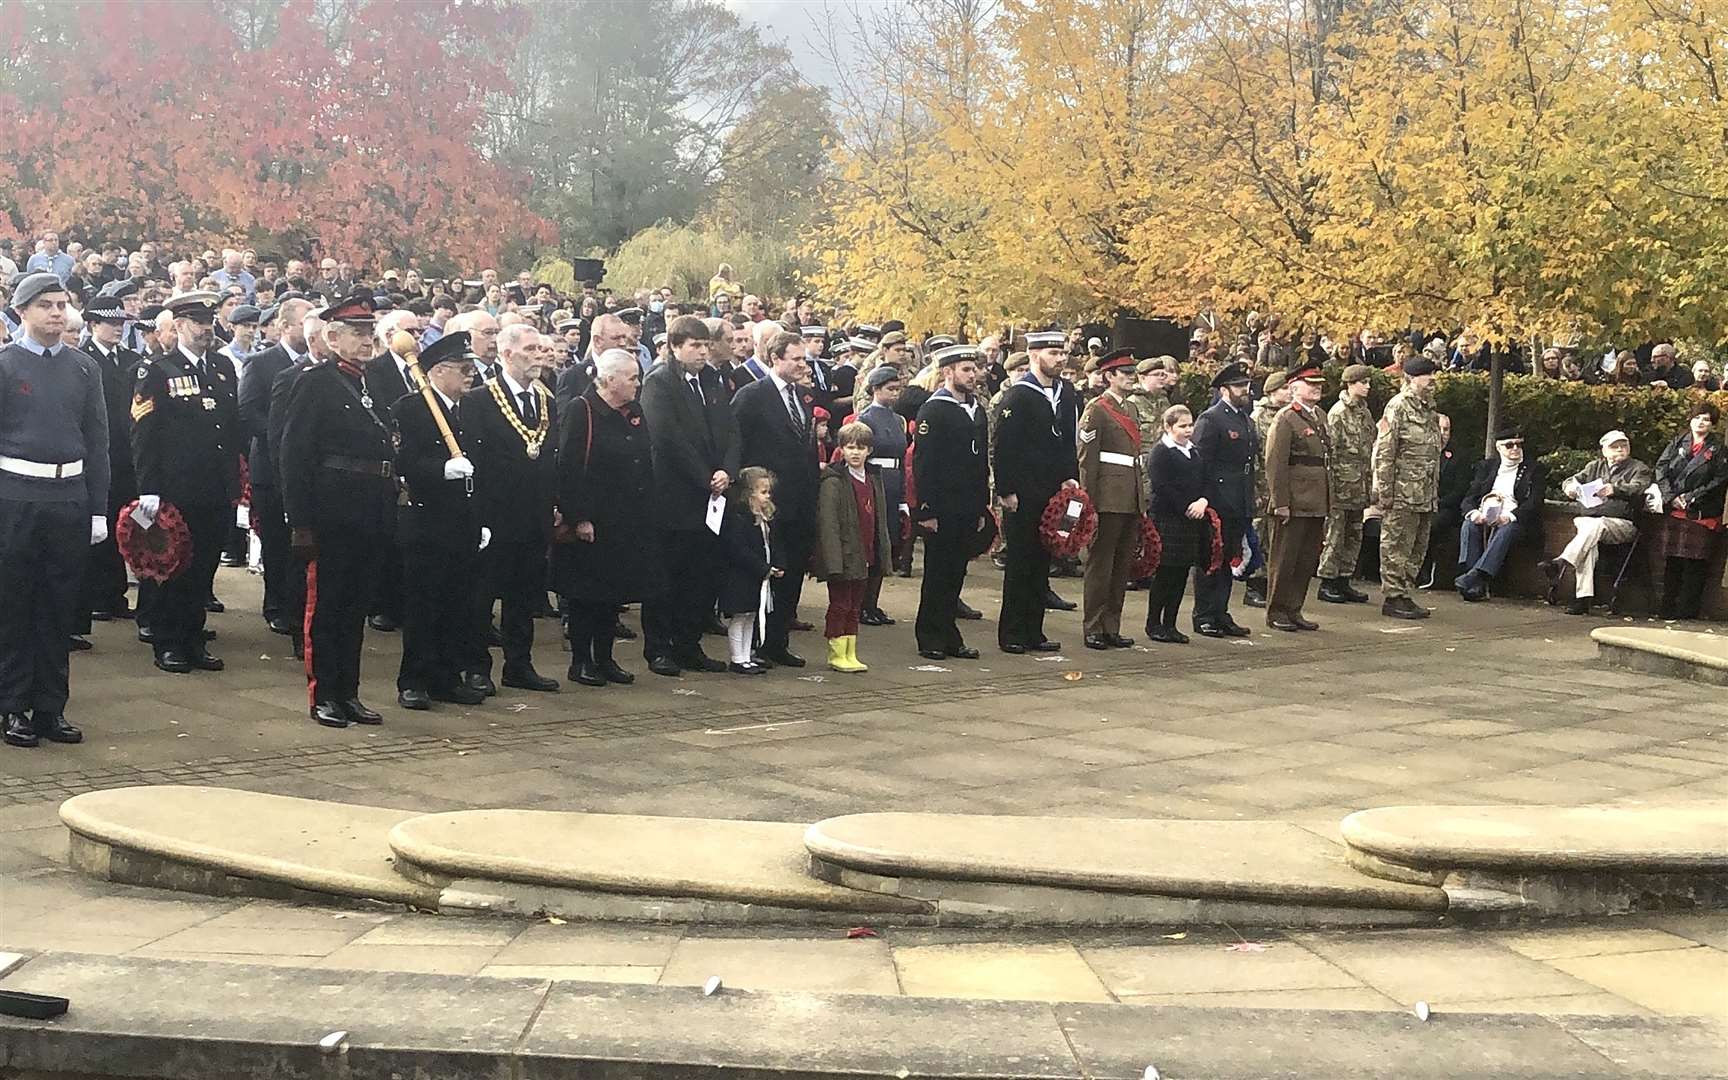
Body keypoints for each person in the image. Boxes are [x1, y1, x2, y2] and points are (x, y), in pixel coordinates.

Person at [0, 273, 108, 749]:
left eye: (62, 304)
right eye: (46, 305)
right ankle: (13, 705)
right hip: (15, 498)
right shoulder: (6, 365)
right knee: (14, 605)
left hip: (68, 498)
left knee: (58, 608)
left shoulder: (84, 368)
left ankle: (50, 706)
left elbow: (98, 442)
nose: (57, 313)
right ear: (22, 311)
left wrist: (98, 510)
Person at [279, 293, 394, 727]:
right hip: (331, 512)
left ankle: (349, 692)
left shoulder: (372, 383)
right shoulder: (314, 382)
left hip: (370, 510)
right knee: (326, 609)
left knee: (355, 608)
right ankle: (323, 693)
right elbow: (294, 453)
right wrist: (301, 521)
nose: (367, 341)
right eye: (358, 333)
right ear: (333, 336)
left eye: (370, 332)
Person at [131, 291, 239, 673]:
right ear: (178, 326)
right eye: (198, 322)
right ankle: (168, 642)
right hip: (176, 488)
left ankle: (194, 638)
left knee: (204, 567)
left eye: (210, 321)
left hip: (215, 487)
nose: (206, 329)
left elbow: (232, 429)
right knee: (172, 568)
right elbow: (145, 433)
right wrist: (149, 489)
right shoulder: (158, 371)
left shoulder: (223, 368)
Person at [553, 348, 662, 687]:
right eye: (632, 378)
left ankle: (605, 657)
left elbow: (644, 460)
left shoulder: (634, 411)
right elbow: (569, 468)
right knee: (588, 595)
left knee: (613, 595)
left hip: (628, 519)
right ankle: (582, 660)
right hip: (594, 521)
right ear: (610, 379)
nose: (637, 383)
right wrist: (580, 517)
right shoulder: (582, 410)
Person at [392, 331, 487, 711]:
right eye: (464, 369)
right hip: (426, 519)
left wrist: (481, 518)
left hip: (463, 521)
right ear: (438, 371)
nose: (471, 376)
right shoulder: (411, 408)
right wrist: (440, 469)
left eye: (472, 368)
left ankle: (446, 677)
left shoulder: (471, 410)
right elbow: (402, 462)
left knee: (458, 604)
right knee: (423, 605)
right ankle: (413, 679)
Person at [638, 315, 737, 676]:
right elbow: (667, 438)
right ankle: (659, 647)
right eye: (694, 345)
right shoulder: (659, 382)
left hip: (711, 496)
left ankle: (689, 643)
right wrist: (704, 477)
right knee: (668, 574)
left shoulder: (712, 380)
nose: (701, 352)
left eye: (705, 345)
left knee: (700, 575)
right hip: (675, 495)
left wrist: (728, 469)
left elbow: (729, 429)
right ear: (675, 346)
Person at [464, 322, 560, 694]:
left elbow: (549, 455)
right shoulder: (479, 400)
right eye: (530, 350)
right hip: (495, 513)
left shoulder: (545, 399)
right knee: (483, 595)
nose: (538, 357)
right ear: (506, 354)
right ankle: (476, 667)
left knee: (523, 596)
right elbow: (477, 458)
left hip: (533, 514)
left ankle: (519, 664)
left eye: (540, 350)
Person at [732, 330, 821, 667]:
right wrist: (747, 498)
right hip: (766, 505)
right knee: (766, 574)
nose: (802, 365)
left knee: (793, 572)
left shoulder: (802, 397)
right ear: (775, 359)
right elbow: (737, 446)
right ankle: (753, 644)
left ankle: (778, 641)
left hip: (799, 502)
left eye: (804, 359)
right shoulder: (751, 397)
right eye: (796, 359)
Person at [993, 329, 1081, 654]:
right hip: (1023, 491)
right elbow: (1003, 445)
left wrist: (1070, 477)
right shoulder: (1019, 395)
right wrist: (1006, 489)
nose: (1060, 359)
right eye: (1053, 354)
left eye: (1062, 354)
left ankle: (1034, 630)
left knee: (1042, 562)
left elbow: (1068, 440)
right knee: (1020, 562)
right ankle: (1013, 632)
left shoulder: (1066, 392)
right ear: (1034, 355)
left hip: (1053, 490)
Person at [238, 297, 314, 638]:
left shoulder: (317, 366)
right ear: (285, 326)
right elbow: (248, 412)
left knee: (301, 544)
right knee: (276, 542)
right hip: (270, 469)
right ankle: (277, 605)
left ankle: (297, 605)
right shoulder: (262, 363)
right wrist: (282, 439)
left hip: (304, 470)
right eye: (303, 322)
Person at [912, 344, 991, 661]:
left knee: (956, 573)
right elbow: (924, 463)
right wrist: (926, 510)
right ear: (948, 372)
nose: (973, 376)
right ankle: (930, 634)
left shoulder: (976, 409)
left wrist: (981, 504)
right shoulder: (934, 410)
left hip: (967, 505)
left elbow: (980, 460)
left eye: (974, 370)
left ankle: (948, 633)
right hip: (942, 506)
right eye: (966, 370)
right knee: (938, 574)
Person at [76, 293, 140, 628]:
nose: (118, 328)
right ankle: (97, 596)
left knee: (122, 528)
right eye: (111, 323)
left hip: (127, 455)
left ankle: (115, 594)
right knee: (97, 529)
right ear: (92, 324)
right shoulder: (82, 359)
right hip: (97, 455)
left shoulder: (131, 359)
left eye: (121, 323)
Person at [1541, 430, 1655, 615]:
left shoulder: (1638, 468)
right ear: (1604, 451)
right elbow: (1571, 480)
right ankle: (1582, 599)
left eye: (1623, 445)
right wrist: (1570, 488)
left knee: (1594, 527)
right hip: (1589, 521)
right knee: (1589, 541)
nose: (1620, 449)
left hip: (1622, 524)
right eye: (1614, 446)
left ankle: (1561, 563)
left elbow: (1638, 487)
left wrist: (1615, 489)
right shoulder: (1594, 466)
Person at [1078, 349, 1146, 650]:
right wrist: (1088, 501)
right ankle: (1093, 625)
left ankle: (1111, 625)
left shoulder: (1130, 409)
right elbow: (1087, 459)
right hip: (1106, 497)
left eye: (1133, 373)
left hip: (1129, 495)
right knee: (1100, 565)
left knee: (1121, 566)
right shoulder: (1097, 410)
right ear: (1109, 376)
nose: (1131, 379)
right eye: (1126, 374)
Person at [813, 422, 891, 672]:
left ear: (869, 450)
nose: (855, 453)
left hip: (865, 552)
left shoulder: (873, 477)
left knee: (856, 605)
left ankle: (851, 651)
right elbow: (829, 524)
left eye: (861, 448)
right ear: (841, 449)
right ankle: (836, 651)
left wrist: (883, 552)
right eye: (850, 447)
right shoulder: (833, 480)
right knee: (840, 604)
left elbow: (878, 518)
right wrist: (833, 561)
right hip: (843, 554)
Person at [1262, 364, 1332, 630]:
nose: (1316, 388)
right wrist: (1280, 502)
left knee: (1305, 560)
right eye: (1310, 384)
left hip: (1315, 500)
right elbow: (1275, 463)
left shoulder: (1319, 416)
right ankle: (1277, 609)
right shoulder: (1286, 418)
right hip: (1293, 499)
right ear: (1294, 388)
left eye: (1318, 384)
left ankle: (1294, 608)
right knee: (1285, 558)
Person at [1190, 363, 1256, 638]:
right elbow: (1200, 462)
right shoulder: (1211, 419)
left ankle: (1220, 611)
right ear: (1224, 389)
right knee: (1210, 559)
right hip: (1217, 498)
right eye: (1240, 386)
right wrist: (1203, 497)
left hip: (1239, 497)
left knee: (1228, 558)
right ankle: (1204, 614)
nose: (1246, 391)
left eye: (1247, 385)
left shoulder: (1244, 418)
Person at [1374, 355, 1442, 619]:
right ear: (1411, 378)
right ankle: (1392, 596)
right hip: (1402, 491)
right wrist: (1385, 492)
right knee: (1396, 544)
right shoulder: (1398, 407)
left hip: (1424, 491)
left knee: (1417, 545)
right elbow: (1385, 452)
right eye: (1427, 375)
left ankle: (1405, 592)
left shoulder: (1428, 409)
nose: (1432, 379)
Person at [1652, 403, 1728, 620]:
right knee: (1672, 562)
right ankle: (1666, 608)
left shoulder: (1719, 449)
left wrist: (1691, 497)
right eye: (1697, 418)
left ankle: (1688, 611)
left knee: (1695, 564)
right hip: (1675, 509)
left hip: (1700, 512)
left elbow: (1719, 479)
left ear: (1712, 424)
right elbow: (1661, 468)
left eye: (1706, 419)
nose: (1700, 422)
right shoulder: (1678, 442)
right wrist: (1670, 496)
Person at [1454, 427, 1546, 602]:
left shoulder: (1534, 469)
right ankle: (1474, 584)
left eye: (1518, 445)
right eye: (1509, 445)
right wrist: (1474, 513)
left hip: (1517, 520)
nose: (1515, 449)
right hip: (1487, 513)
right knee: (1469, 525)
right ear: (1499, 448)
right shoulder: (1487, 467)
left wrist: (1509, 516)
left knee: (1507, 529)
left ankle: (1476, 576)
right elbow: (1469, 497)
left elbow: (1534, 502)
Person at [1143, 404, 1209, 644]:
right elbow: (1161, 486)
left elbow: (1204, 480)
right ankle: (1154, 623)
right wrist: (1186, 506)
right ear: (1168, 427)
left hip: (1191, 520)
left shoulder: (1195, 452)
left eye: (1190, 425)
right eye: (1182, 426)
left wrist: (1202, 501)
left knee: (1181, 573)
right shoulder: (1161, 452)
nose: (1188, 430)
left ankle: (1170, 623)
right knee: (1165, 573)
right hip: (1168, 519)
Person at [1317, 364, 1374, 603]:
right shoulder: (1338, 413)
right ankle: (1327, 580)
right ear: (1351, 384)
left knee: (1353, 533)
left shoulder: (1364, 412)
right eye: (1364, 382)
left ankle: (1344, 578)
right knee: (1335, 534)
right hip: (1341, 484)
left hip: (1359, 483)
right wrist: (1330, 488)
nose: (1368, 386)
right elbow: (1330, 452)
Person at [855, 365, 908, 625]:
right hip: (875, 477)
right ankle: (863, 604)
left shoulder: (897, 419)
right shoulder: (866, 418)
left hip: (894, 480)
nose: (895, 394)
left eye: (898, 389)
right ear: (875, 389)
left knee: (888, 543)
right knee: (873, 542)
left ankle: (873, 603)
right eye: (890, 389)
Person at [718, 466, 779, 674]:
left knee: (751, 615)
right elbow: (739, 550)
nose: (767, 496)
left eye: (768, 492)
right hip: (740, 577)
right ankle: (737, 658)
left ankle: (747, 655)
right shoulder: (740, 517)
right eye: (763, 492)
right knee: (739, 617)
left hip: (755, 577)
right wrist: (762, 567)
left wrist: (773, 565)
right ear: (749, 492)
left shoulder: (763, 517)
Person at [1244, 371, 1291, 606]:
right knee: (1260, 534)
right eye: (1284, 389)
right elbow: (1255, 456)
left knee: (1275, 538)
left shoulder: (1290, 414)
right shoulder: (1259, 417)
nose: (1288, 392)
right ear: (1272, 392)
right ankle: (1255, 584)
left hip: (1281, 486)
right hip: (1262, 486)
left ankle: (1272, 584)